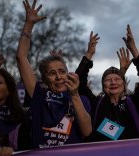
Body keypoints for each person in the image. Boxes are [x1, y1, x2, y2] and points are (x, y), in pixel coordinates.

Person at [16, 0, 91, 148]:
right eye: (52, 73)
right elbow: (21, 58)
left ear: (68, 74)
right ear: (44, 78)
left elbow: (87, 131)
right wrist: (29, 25)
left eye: (62, 71)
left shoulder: (82, 99)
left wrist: (74, 95)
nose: (58, 77)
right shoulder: (39, 95)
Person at [76, 24, 139, 141]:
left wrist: (133, 49)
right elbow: (79, 83)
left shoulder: (135, 102)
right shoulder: (96, 103)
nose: (113, 82)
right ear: (103, 86)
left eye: (117, 79)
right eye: (108, 80)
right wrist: (89, 55)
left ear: (124, 84)